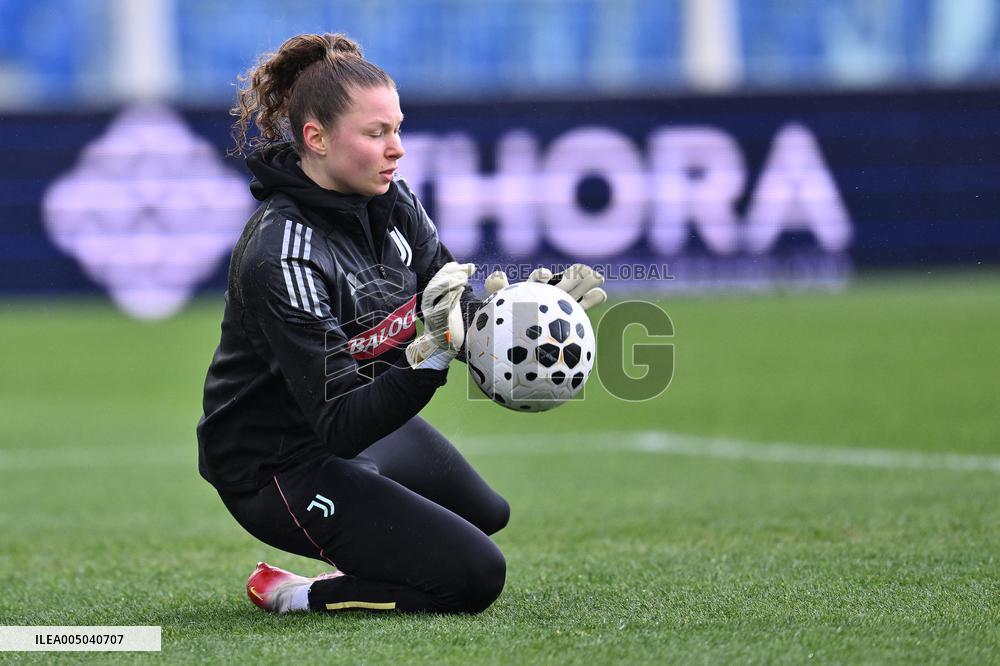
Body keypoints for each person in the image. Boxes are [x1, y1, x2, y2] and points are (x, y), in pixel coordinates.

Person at [197, 32, 606, 615]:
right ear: (316, 138)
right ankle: (301, 595)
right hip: (277, 463)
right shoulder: (280, 254)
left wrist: (518, 318)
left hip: (357, 424)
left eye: (397, 128)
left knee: (487, 516)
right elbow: (339, 423)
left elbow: (449, 301)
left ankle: (365, 536)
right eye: (376, 133)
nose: (397, 149)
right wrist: (433, 355)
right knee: (475, 578)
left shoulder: (393, 203)